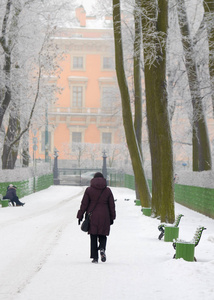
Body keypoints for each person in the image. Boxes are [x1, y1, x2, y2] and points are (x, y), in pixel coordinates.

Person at [77, 172, 116, 263]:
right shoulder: (107, 191)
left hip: (92, 216)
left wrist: (80, 215)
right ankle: (102, 248)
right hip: (105, 216)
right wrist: (112, 217)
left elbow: (84, 204)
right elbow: (112, 205)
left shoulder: (89, 190)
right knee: (103, 234)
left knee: (93, 235)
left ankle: (95, 257)